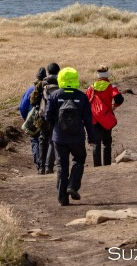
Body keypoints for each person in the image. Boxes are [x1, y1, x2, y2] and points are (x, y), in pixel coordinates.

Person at [44, 66, 96, 206]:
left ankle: (62, 198)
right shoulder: (81, 96)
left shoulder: (54, 96)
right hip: (77, 137)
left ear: (60, 79)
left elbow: (47, 116)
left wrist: (53, 130)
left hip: (59, 137)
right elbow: (88, 119)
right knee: (79, 160)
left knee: (62, 166)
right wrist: (91, 137)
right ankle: (72, 186)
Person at [85, 66, 124, 167]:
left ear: (98, 75)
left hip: (94, 119)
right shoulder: (111, 86)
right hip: (106, 118)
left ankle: (97, 166)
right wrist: (114, 107)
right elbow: (119, 99)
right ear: (107, 74)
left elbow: (85, 102)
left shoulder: (91, 87)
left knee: (96, 143)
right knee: (107, 142)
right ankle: (107, 165)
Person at [31, 62, 61, 174]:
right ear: (59, 71)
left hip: (43, 116)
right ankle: (49, 167)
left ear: (48, 72)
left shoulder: (42, 84)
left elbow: (32, 100)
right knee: (53, 140)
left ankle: (41, 167)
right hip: (57, 116)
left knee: (42, 140)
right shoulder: (61, 83)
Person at [19, 67, 47, 171]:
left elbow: (22, 107)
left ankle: (39, 164)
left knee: (35, 141)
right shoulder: (48, 89)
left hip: (33, 120)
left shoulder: (30, 90)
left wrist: (26, 118)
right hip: (46, 119)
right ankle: (46, 164)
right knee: (46, 141)